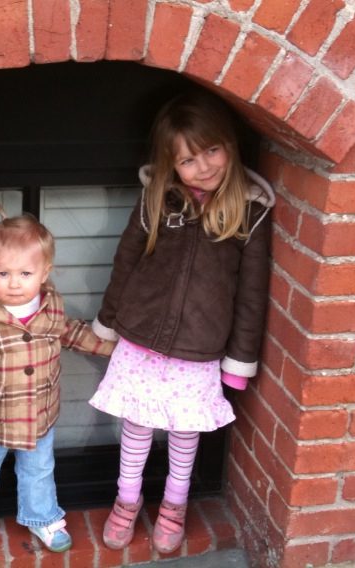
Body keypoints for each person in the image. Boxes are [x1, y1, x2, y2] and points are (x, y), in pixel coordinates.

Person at [89, 90, 275, 553]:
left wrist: (240, 361)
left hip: (200, 347)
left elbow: (251, 294)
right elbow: (126, 261)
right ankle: (127, 500)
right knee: (136, 427)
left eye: (211, 150)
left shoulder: (249, 212)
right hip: (141, 337)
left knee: (184, 433)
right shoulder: (158, 200)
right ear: (171, 165)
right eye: (188, 160)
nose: (204, 167)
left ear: (230, 145)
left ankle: (174, 505)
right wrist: (108, 322)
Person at [0, 209, 115, 556]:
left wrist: (114, 349)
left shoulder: (51, 307)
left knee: (39, 469)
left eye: (25, 273)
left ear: (44, 273)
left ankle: (41, 516)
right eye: (3, 273)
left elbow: (71, 333)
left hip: (38, 414)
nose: (14, 283)